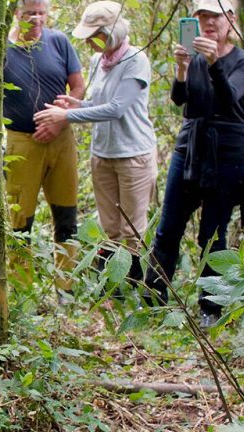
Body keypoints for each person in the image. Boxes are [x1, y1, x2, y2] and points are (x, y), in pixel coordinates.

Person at [34, 1, 157, 286]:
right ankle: (112, 289)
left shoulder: (136, 60)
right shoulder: (97, 62)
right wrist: (77, 104)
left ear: (110, 32)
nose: (89, 42)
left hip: (133, 155)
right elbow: (99, 105)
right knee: (110, 228)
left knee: (132, 230)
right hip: (103, 154)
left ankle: (133, 287)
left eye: (94, 35)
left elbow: (116, 108)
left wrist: (68, 115)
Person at [143, 0, 244, 327]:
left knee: (212, 236)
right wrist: (182, 68)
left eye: (214, 16)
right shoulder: (197, 58)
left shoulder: (242, 62)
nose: (208, 23)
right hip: (190, 147)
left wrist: (215, 61)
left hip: (229, 154)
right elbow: (179, 99)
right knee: (167, 228)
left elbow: (230, 99)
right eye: (202, 17)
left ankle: (210, 311)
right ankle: (151, 302)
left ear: (230, 19)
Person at [0, 0, 85, 299]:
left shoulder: (59, 41)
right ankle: (22, 292)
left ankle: (66, 290)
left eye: (41, 13)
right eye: (29, 14)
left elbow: (77, 86)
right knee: (20, 219)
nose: (36, 19)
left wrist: (62, 117)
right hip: (21, 142)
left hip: (61, 140)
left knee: (66, 215)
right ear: (15, 15)